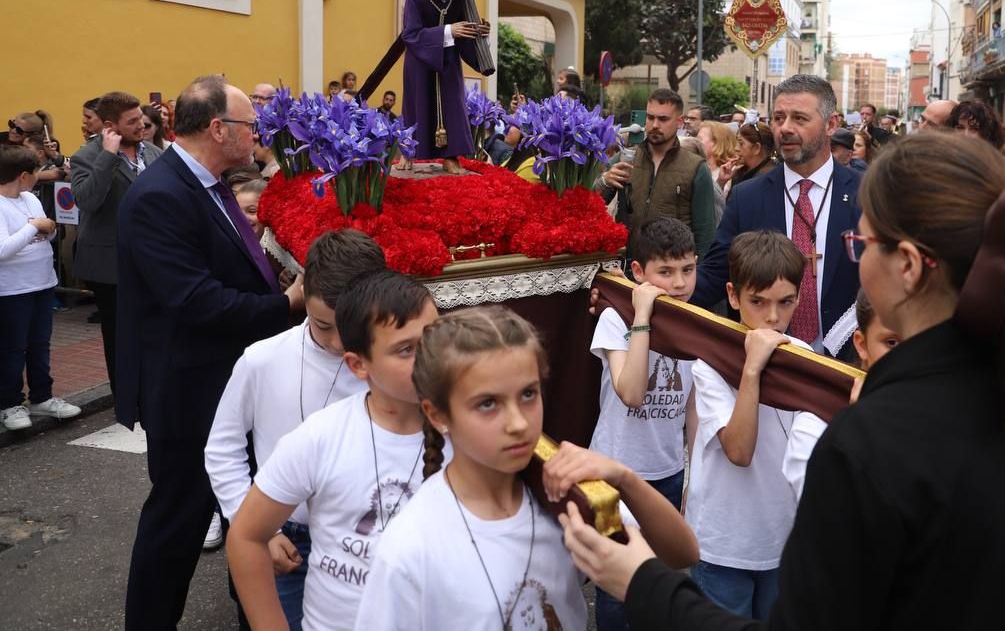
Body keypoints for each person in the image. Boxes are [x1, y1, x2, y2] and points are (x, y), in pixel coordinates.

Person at [560, 131, 1005, 631]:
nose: (853, 258)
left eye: (860, 245)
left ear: (907, 265)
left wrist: (640, 581)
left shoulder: (875, 442)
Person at [351, 305, 698, 631]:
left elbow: (682, 553)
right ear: (438, 414)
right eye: (488, 403)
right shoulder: (411, 546)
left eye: (529, 394)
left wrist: (624, 478)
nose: (518, 423)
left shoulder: (563, 491)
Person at [116, 76, 304, 631]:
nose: (258, 134)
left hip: (222, 375)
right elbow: (194, 300)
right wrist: (287, 304)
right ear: (219, 129)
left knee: (240, 502)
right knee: (178, 517)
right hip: (187, 387)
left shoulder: (208, 183)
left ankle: (249, 605)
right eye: (250, 125)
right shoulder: (159, 196)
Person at [223, 268, 432, 631]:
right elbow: (245, 535)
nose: (429, 357)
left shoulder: (470, 429)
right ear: (358, 364)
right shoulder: (320, 436)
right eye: (405, 350)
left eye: (435, 338)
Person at [205, 230, 385, 629]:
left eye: (352, 327)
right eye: (323, 326)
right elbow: (223, 446)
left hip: (363, 539)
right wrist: (248, 520)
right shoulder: (263, 359)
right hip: (281, 534)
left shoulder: (389, 370)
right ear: (304, 293)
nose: (339, 343)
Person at [684, 231, 810, 619]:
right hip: (723, 544)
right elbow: (739, 451)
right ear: (733, 296)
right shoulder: (710, 364)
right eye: (758, 302)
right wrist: (752, 369)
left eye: (785, 303)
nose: (772, 318)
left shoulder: (804, 358)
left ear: (798, 299)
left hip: (781, 542)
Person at [694, 76, 862, 359]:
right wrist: (644, 292)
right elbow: (714, 274)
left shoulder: (865, 194)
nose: (785, 129)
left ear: (831, 124)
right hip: (765, 367)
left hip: (846, 369)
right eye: (778, 118)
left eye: (799, 118)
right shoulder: (748, 196)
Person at [588, 217, 697, 631]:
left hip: (668, 473)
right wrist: (643, 315)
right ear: (639, 273)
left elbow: (691, 410)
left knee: (660, 584)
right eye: (665, 272)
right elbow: (631, 391)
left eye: (687, 269)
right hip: (613, 474)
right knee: (617, 591)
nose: (679, 283)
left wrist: (693, 478)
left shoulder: (694, 324)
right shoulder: (616, 319)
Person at [69, 92, 164, 396]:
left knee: (153, 326)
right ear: (110, 126)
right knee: (119, 332)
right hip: (110, 262)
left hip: (152, 258)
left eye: (141, 119)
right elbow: (87, 200)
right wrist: (107, 157)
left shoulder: (153, 153)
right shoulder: (87, 155)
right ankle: (124, 394)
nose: (142, 125)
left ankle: (151, 385)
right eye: (133, 121)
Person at [781, 288, 900, 500]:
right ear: (862, 345)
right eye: (892, 343)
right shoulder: (814, 427)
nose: (908, 356)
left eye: (920, 339)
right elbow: (833, 520)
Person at [0, 146, 82, 430]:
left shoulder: (30, 199)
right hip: (12, 290)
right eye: (35, 172)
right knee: (13, 347)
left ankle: (42, 397)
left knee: (39, 344)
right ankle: (10, 403)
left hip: (42, 283)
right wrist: (34, 227)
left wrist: (48, 230)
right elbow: (2, 249)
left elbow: (45, 237)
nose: (39, 176)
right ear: (23, 175)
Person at [401, 0, 490, 176]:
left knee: (453, 106)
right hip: (420, 63)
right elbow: (410, 35)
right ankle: (408, 153)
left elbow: (465, 31)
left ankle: (450, 157)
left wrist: (479, 32)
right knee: (418, 104)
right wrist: (450, 30)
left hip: (449, 63)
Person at [601, 88, 716, 259]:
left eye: (663, 119)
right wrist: (605, 181)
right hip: (627, 267)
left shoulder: (696, 168)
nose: (655, 125)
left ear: (679, 122)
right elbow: (593, 201)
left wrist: (695, 276)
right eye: (650, 117)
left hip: (671, 270)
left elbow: (705, 235)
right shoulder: (627, 157)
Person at [722, 121, 776, 199]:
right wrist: (721, 182)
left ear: (756, 148)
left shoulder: (768, 179)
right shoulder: (740, 173)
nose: (736, 148)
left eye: (741, 144)